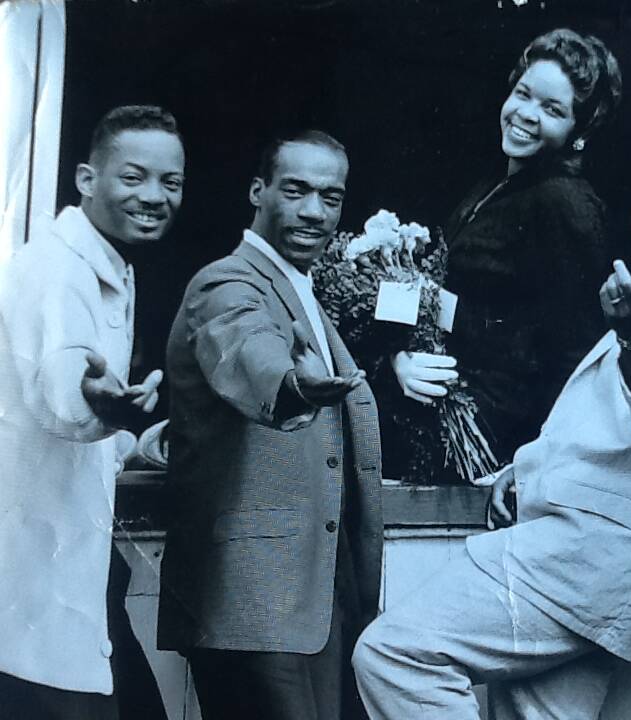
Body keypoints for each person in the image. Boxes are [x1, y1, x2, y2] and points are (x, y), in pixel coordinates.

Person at [352, 155, 631, 719]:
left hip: (580, 559)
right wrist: (529, 466)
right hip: (597, 573)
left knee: (395, 656)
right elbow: (611, 428)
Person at [156, 130, 383, 720]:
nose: (315, 212)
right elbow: (252, 353)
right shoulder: (227, 283)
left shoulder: (299, 287)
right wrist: (294, 387)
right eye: (296, 191)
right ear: (258, 191)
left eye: (330, 198)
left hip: (308, 600)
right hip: (250, 602)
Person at [0, 105, 183, 719]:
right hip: (30, 577)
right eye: (133, 177)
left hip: (61, 568)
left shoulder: (100, 263)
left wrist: (132, 439)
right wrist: (97, 402)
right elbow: (61, 374)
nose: (154, 197)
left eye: (171, 183)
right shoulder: (58, 272)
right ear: (86, 179)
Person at [381, 28, 623, 480]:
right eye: (523, 93)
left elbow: (574, 355)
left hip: (496, 440)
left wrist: (530, 466)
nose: (526, 115)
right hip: (443, 409)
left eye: (552, 109)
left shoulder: (564, 202)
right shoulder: (495, 186)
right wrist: (404, 355)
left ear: (579, 130)